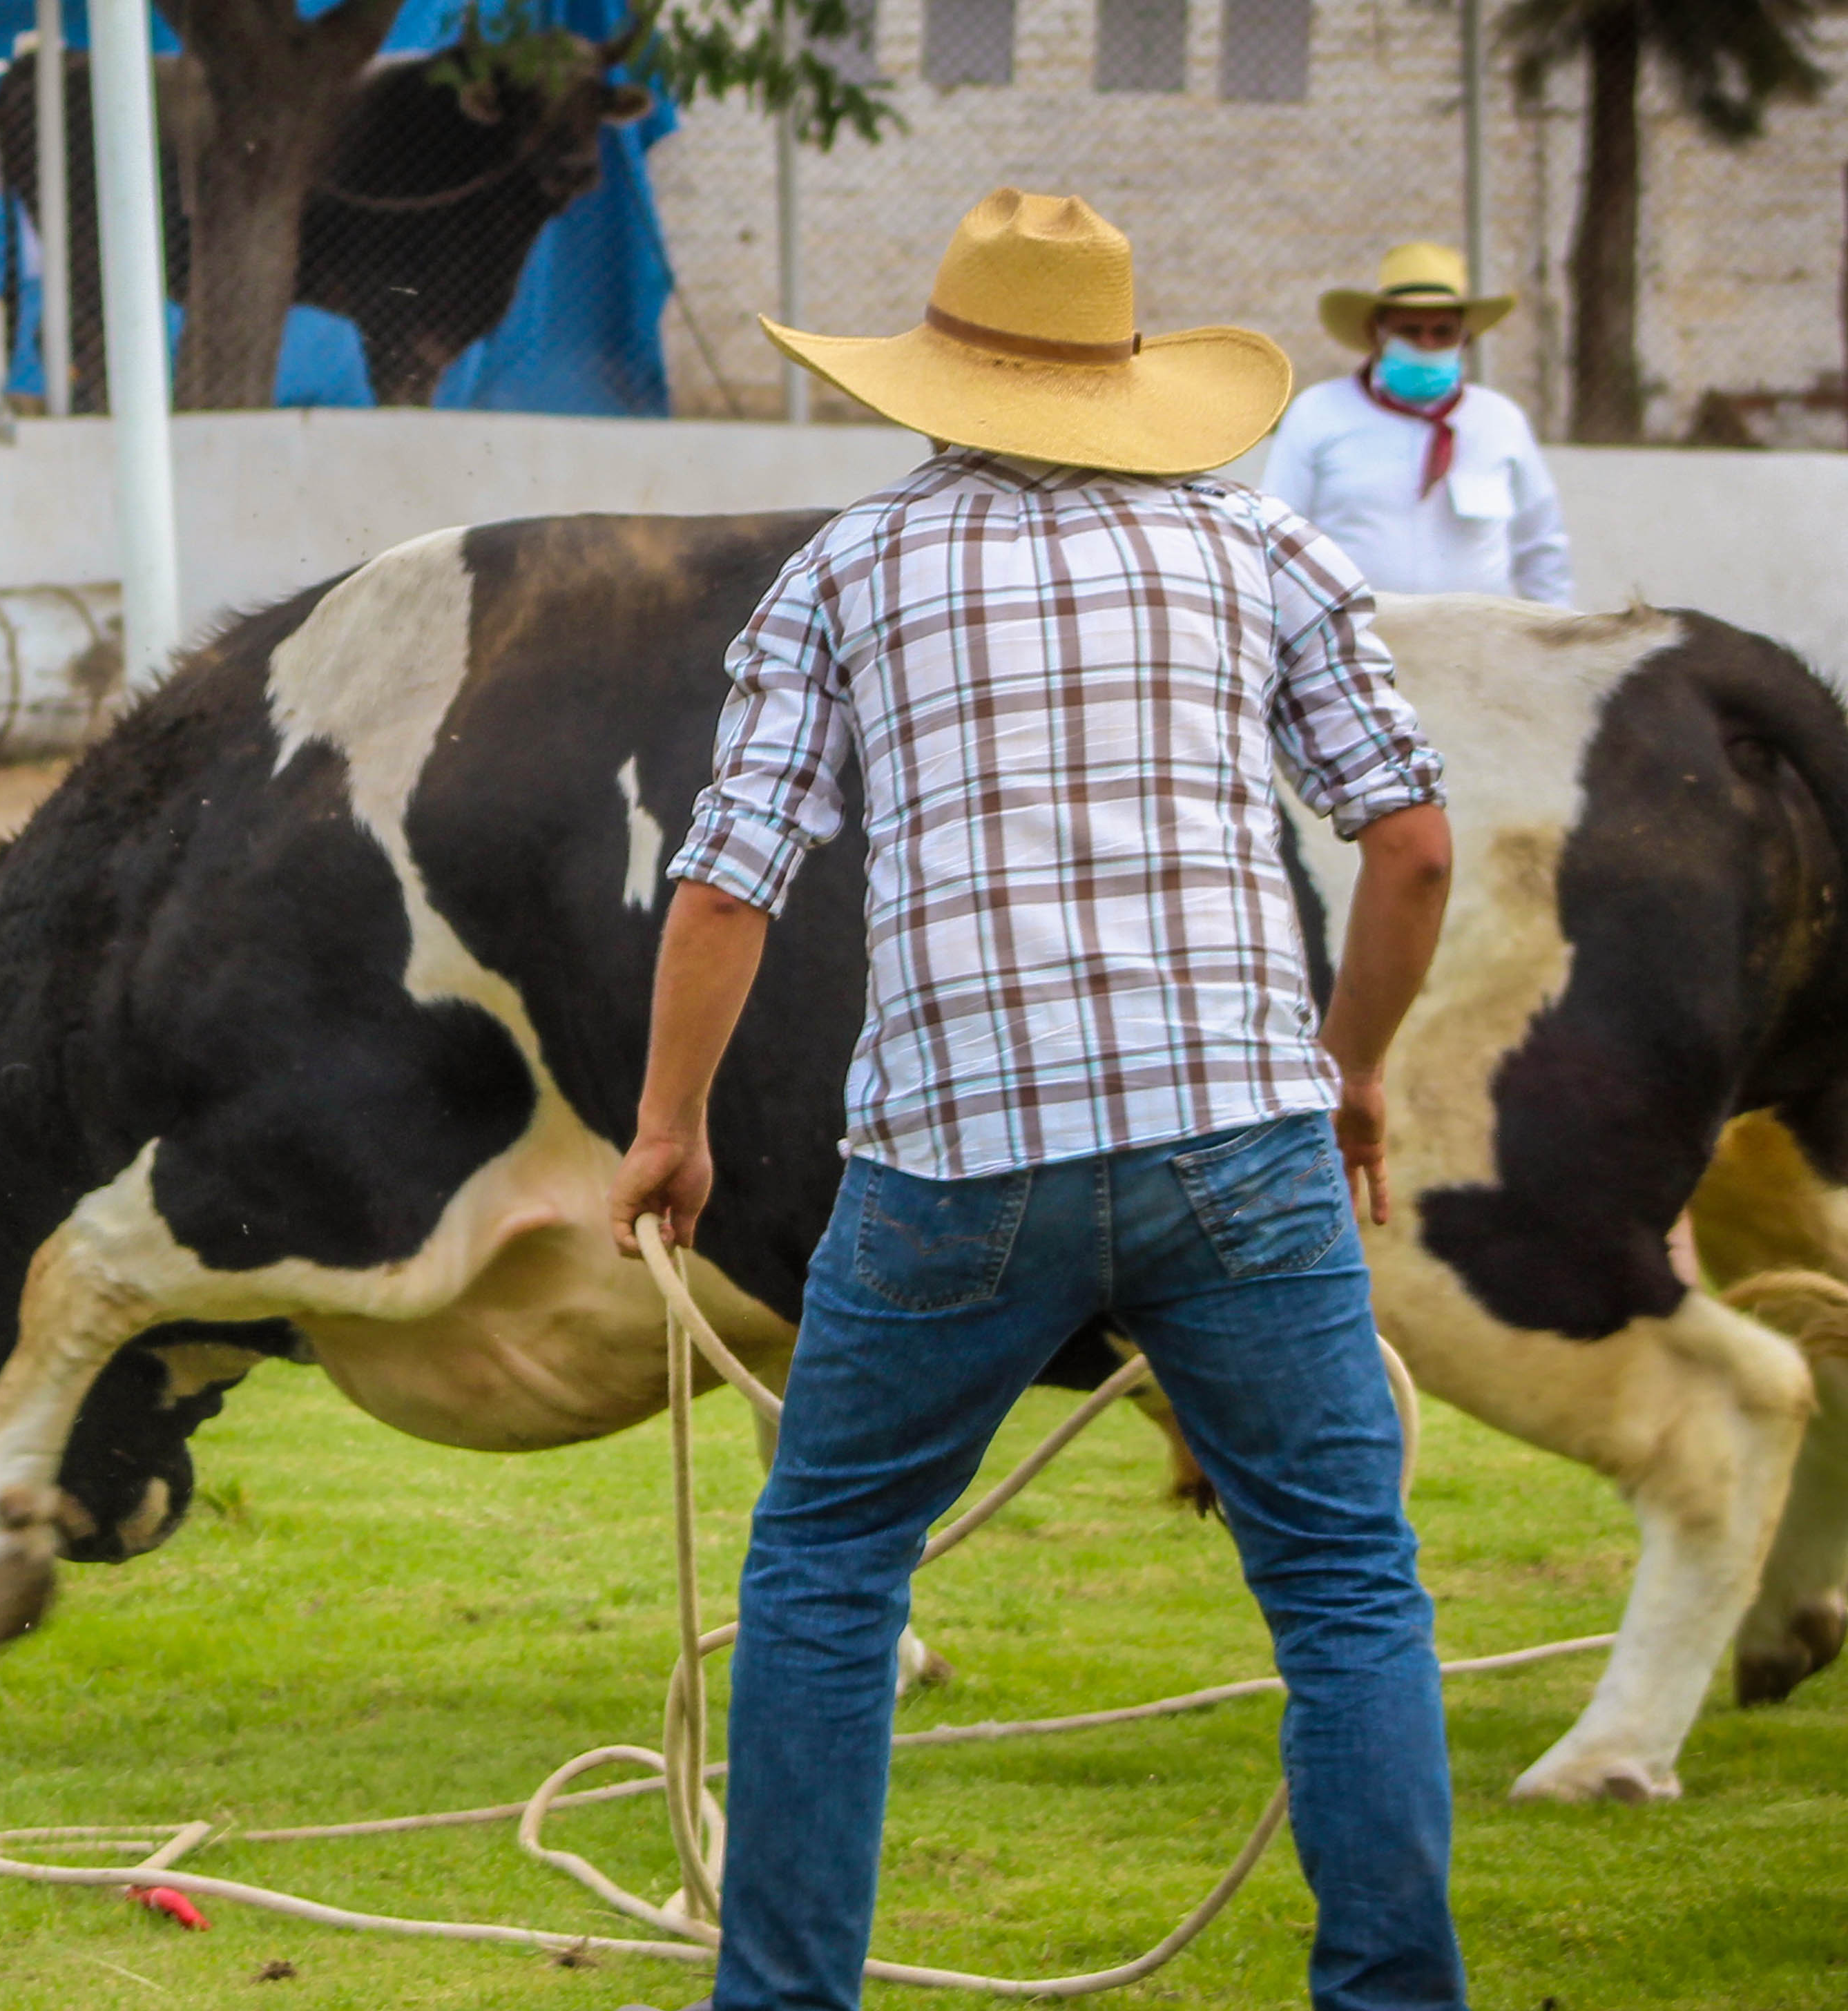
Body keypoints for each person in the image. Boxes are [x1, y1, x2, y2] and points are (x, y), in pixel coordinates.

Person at [606, 190, 1463, 2011]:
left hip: (956, 1159)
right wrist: (1356, 1067)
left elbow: (724, 881)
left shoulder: (850, 570)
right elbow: (1409, 845)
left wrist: (670, 1124)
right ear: (1125, 378)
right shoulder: (1265, 552)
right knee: (1346, 1590)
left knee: (832, 1567)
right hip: (1242, 1141)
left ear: (936, 380)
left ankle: (779, 1999)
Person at [1265, 242, 1570, 604]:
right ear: (1376, 335)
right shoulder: (1318, 412)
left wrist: (1557, 635)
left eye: (1443, 332)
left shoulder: (1500, 420)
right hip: (1353, 640)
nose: (1427, 344)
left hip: (1480, 642)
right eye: (1410, 331)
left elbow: (1540, 546)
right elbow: (1278, 537)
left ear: (1465, 339)